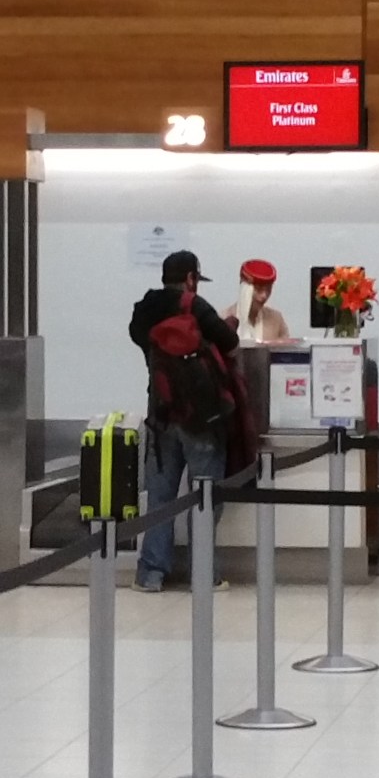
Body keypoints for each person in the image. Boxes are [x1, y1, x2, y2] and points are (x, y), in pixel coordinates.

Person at [129, 250, 239, 593]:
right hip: (201, 418)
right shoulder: (196, 306)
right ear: (191, 278)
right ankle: (204, 575)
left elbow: (139, 339)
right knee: (205, 496)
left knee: (160, 497)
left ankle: (151, 575)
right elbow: (231, 343)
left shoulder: (145, 309)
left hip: (161, 415)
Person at [223, 259, 289, 341]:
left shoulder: (276, 320)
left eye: (268, 289)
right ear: (244, 288)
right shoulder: (223, 319)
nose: (264, 295)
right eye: (258, 289)